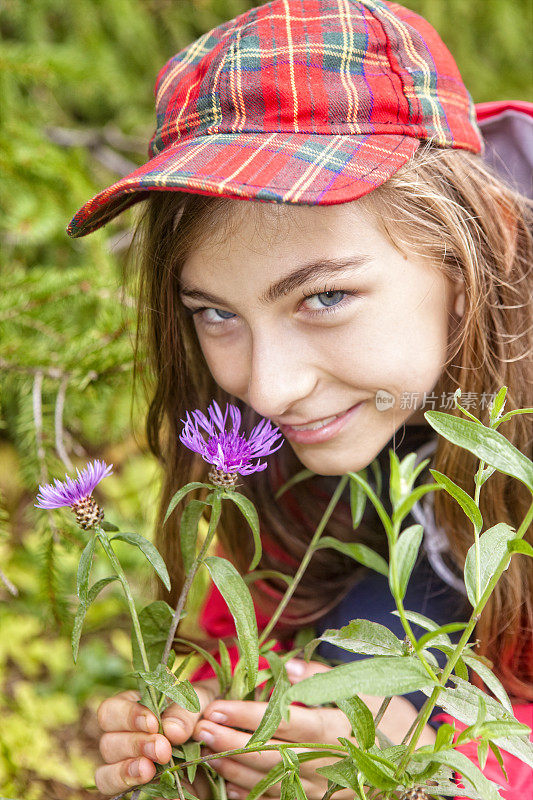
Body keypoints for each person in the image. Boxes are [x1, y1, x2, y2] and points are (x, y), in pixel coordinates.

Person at [66, 1, 533, 797]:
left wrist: (419, 769)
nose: (268, 388)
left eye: (323, 298)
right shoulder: (335, 403)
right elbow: (268, 590)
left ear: (468, 251)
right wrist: (217, 716)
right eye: (216, 313)